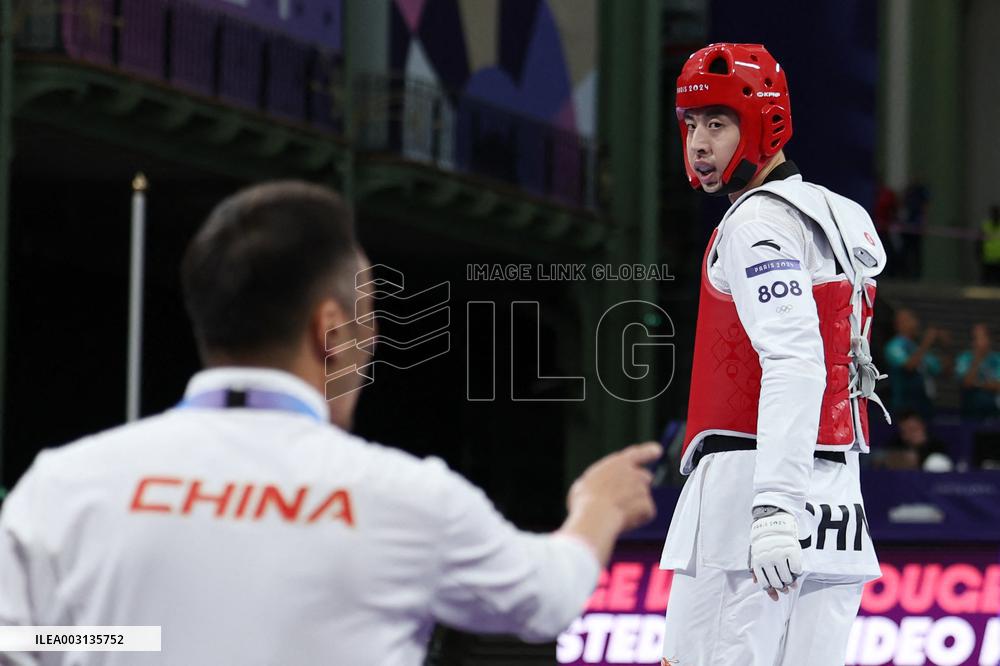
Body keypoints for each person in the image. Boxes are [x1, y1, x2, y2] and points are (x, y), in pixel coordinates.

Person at [0, 181, 662, 666]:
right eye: (371, 323)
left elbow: (20, 643)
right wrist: (596, 506)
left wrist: (135, 637)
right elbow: (546, 596)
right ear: (331, 331)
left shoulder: (64, 485)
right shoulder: (405, 498)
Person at [659, 44, 886, 666]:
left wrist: (774, 512)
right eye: (690, 124)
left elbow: (796, 361)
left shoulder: (758, 223)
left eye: (717, 123)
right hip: (836, 497)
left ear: (764, 122)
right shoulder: (843, 215)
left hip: (753, 500)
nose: (699, 143)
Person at [884, 308, 944, 419]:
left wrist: (944, 346)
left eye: (912, 319)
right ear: (897, 325)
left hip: (924, 402)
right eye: (907, 320)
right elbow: (909, 366)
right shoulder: (894, 346)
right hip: (905, 405)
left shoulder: (916, 346)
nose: (913, 323)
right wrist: (927, 342)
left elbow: (940, 370)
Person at [955, 323, 1000, 420]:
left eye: (982, 337)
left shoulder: (997, 359)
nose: (979, 342)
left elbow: (997, 385)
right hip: (971, 409)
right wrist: (978, 358)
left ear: (989, 340)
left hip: (994, 408)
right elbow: (966, 383)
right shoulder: (964, 358)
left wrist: (979, 384)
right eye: (975, 338)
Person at [884, 410, 952, 471]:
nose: (910, 434)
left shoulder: (937, 446)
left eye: (913, 429)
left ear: (922, 426)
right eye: (905, 431)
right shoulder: (897, 445)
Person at [981, 205, 1000, 285]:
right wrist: (979, 255)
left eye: (997, 213)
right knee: (986, 283)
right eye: (994, 213)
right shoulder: (985, 226)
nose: (995, 215)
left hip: (999, 259)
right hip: (987, 259)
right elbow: (978, 242)